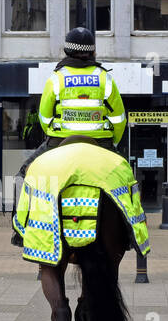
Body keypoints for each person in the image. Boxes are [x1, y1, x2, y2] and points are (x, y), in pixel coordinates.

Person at [11, 26, 126, 245]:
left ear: (66, 51)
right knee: (127, 181)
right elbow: (119, 119)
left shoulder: (56, 78)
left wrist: (57, 133)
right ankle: (131, 233)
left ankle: (21, 232)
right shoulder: (104, 78)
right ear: (93, 52)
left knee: (22, 176)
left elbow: (45, 118)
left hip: (58, 142)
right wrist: (113, 145)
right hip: (100, 143)